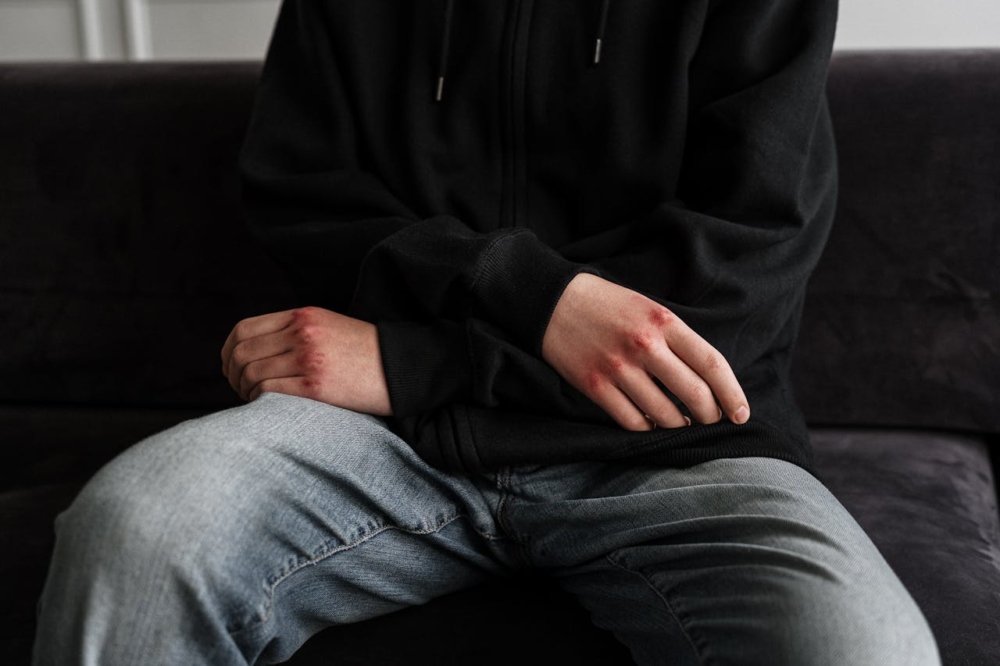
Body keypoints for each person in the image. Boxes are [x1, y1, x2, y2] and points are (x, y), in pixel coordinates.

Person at [33, 1, 940, 664]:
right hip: (385, 439)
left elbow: (736, 286)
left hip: (673, 447)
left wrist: (415, 362)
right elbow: (304, 203)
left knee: (868, 649)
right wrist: (535, 299)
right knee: (136, 531)